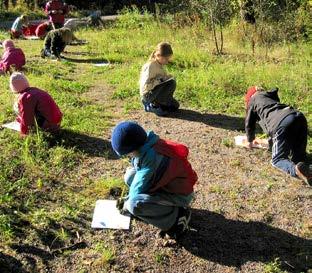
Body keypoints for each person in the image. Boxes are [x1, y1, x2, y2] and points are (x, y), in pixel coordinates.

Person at [111, 121, 198, 238]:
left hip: (179, 195)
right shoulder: (147, 145)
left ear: (132, 150)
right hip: (166, 184)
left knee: (134, 204)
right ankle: (161, 207)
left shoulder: (152, 159)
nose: (128, 157)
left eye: (127, 154)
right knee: (129, 176)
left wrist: (126, 204)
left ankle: (177, 218)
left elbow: (137, 191)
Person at [245, 86, 311, 185]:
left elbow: (249, 124)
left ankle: (295, 170)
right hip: (298, 117)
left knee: (277, 160)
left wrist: (250, 141)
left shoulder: (253, 100)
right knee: (299, 158)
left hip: (282, 123)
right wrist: (270, 143)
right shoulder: (270, 97)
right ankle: (307, 171)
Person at [139, 42, 179, 116]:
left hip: (156, 91)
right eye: (166, 59)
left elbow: (161, 79)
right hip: (148, 95)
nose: (167, 62)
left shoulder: (160, 64)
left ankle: (162, 103)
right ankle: (151, 105)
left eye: (168, 59)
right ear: (158, 55)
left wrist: (167, 78)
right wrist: (160, 80)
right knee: (171, 83)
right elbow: (146, 86)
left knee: (175, 106)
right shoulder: (150, 66)